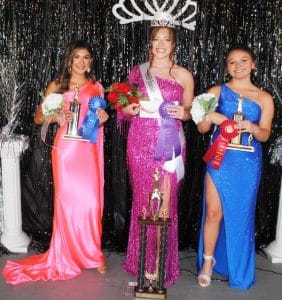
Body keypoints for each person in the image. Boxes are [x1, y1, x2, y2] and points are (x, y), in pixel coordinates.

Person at [2, 40, 109, 284]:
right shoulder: (58, 85)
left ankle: (93, 254)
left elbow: (96, 120)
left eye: (86, 57)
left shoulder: (96, 87)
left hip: (88, 149)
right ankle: (67, 253)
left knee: (92, 202)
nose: (82, 62)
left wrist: (102, 119)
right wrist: (57, 115)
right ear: (69, 60)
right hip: (66, 151)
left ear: (91, 60)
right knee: (67, 203)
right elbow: (39, 117)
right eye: (77, 57)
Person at [121, 26, 194, 285]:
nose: (161, 44)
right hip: (139, 142)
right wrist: (128, 109)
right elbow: (123, 105)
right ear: (150, 44)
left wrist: (184, 114)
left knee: (163, 206)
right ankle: (142, 262)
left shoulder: (183, 75)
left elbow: (189, 111)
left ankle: (159, 265)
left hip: (169, 145)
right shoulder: (137, 72)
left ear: (174, 44)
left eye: (167, 39)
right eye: (156, 39)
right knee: (143, 202)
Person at [197, 45, 274, 289]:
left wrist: (252, 128)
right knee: (213, 212)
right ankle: (208, 263)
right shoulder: (216, 92)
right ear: (226, 66)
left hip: (247, 164)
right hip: (220, 160)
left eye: (243, 60)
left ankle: (238, 267)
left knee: (241, 216)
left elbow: (265, 134)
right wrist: (208, 116)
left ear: (253, 64)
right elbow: (201, 128)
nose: (237, 65)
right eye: (232, 61)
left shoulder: (264, 98)